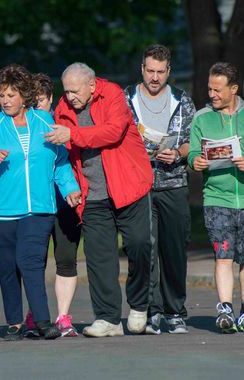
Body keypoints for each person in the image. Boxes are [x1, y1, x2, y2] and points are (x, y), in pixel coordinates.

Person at [0, 64, 81, 341]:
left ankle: (42, 322)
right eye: (2, 95)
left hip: (39, 207)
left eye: (11, 95)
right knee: (8, 266)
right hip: (0, 210)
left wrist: (70, 188)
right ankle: (15, 322)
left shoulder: (45, 121)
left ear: (25, 96)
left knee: (29, 261)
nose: (6, 100)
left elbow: (61, 161)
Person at [47, 62, 153, 337]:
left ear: (91, 85)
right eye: (66, 91)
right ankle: (108, 319)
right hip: (92, 193)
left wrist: (73, 134)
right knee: (98, 258)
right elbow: (64, 155)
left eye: (74, 91)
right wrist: (70, 186)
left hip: (128, 185)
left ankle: (139, 304)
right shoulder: (62, 108)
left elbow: (112, 132)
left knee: (139, 245)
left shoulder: (114, 95)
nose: (69, 97)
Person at [124, 44, 195, 335]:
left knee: (174, 249)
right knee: (145, 249)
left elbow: (194, 141)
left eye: (160, 72)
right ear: (142, 69)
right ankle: (151, 310)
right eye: (150, 71)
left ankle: (175, 310)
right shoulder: (125, 99)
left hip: (174, 183)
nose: (155, 78)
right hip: (138, 184)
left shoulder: (182, 100)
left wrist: (178, 152)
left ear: (169, 72)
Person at [22, 72, 82, 338]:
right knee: (35, 260)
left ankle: (63, 317)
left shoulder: (63, 120)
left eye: (40, 102)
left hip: (65, 199)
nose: (37, 109)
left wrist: (72, 188)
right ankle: (36, 313)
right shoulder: (22, 128)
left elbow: (69, 159)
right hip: (36, 201)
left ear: (50, 99)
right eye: (31, 104)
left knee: (66, 259)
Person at [188, 62, 244, 333]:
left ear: (234, 89)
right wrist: (194, 161)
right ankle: (225, 309)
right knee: (223, 256)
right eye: (210, 88)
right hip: (216, 198)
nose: (212, 94)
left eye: (218, 90)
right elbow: (192, 153)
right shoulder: (202, 118)